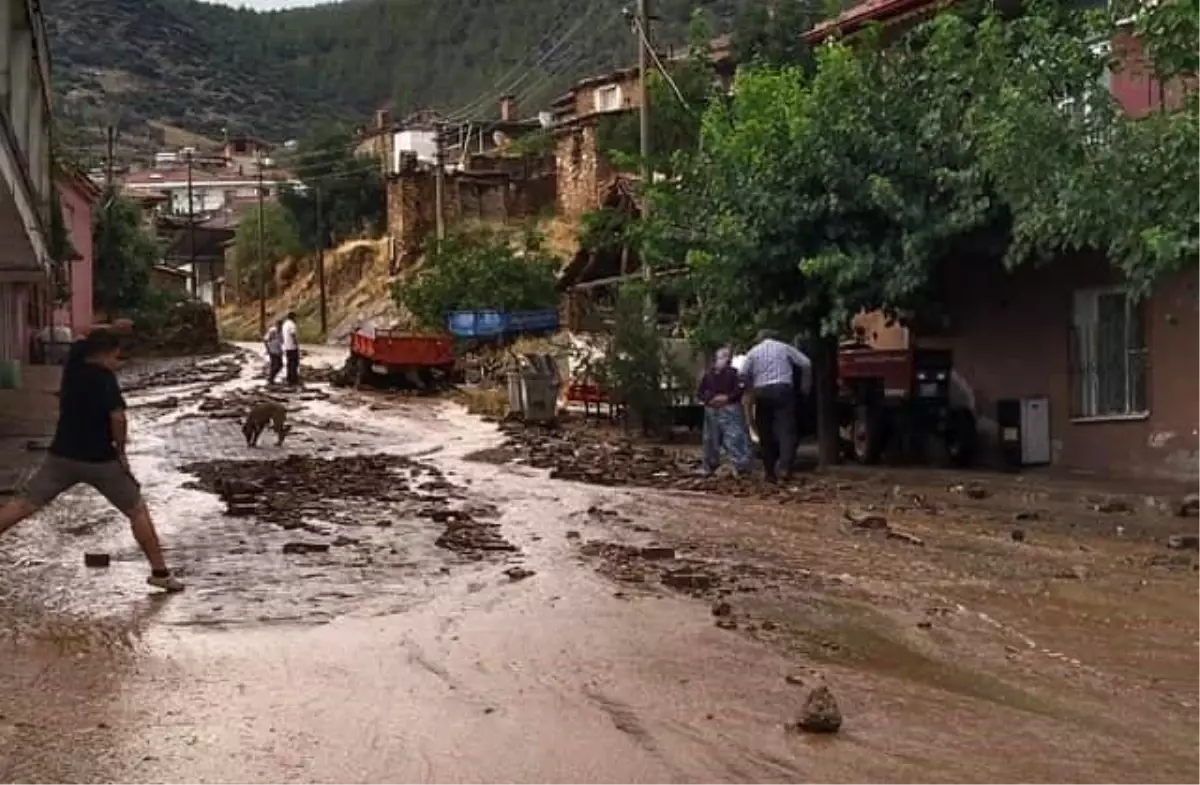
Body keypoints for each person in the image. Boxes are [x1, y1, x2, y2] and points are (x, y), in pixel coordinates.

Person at [0, 329, 184, 592]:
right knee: (137, 510)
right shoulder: (104, 378)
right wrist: (120, 451)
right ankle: (160, 572)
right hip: (101, 461)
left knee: (23, 504)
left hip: (61, 456)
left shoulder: (72, 371)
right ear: (106, 353)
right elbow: (118, 418)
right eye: (117, 357)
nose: (118, 363)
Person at [739, 329, 812, 482]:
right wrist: (805, 387)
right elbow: (806, 363)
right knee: (786, 431)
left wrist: (751, 387)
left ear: (760, 339)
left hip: (762, 392)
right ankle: (785, 468)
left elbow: (742, 373)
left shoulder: (753, 352)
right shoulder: (784, 347)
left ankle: (769, 471)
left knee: (765, 431)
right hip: (783, 390)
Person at [697, 346, 752, 476]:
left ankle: (739, 464)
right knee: (711, 438)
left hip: (729, 408)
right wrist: (710, 400)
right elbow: (700, 392)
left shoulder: (734, 373)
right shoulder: (709, 374)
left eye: (726, 356)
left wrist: (727, 398)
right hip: (714, 409)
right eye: (722, 356)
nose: (724, 359)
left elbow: (739, 390)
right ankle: (712, 463)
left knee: (734, 436)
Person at [281, 311, 300, 386]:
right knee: (294, 363)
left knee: (289, 363)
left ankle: (289, 377)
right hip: (292, 346)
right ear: (293, 317)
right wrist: (296, 343)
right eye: (295, 317)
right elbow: (293, 334)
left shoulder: (285, 324)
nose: (296, 319)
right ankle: (293, 379)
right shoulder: (292, 324)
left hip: (287, 346)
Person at [264, 319, 284, 384]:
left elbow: (282, 342)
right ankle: (271, 379)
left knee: (279, 365)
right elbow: (265, 340)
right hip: (272, 350)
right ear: (276, 325)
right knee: (276, 365)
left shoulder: (282, 332)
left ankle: (271, 378)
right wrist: (267, 349)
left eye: (281, 325)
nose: (280, 326)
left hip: (278, 351)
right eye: (279, 325)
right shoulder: (272, 331)